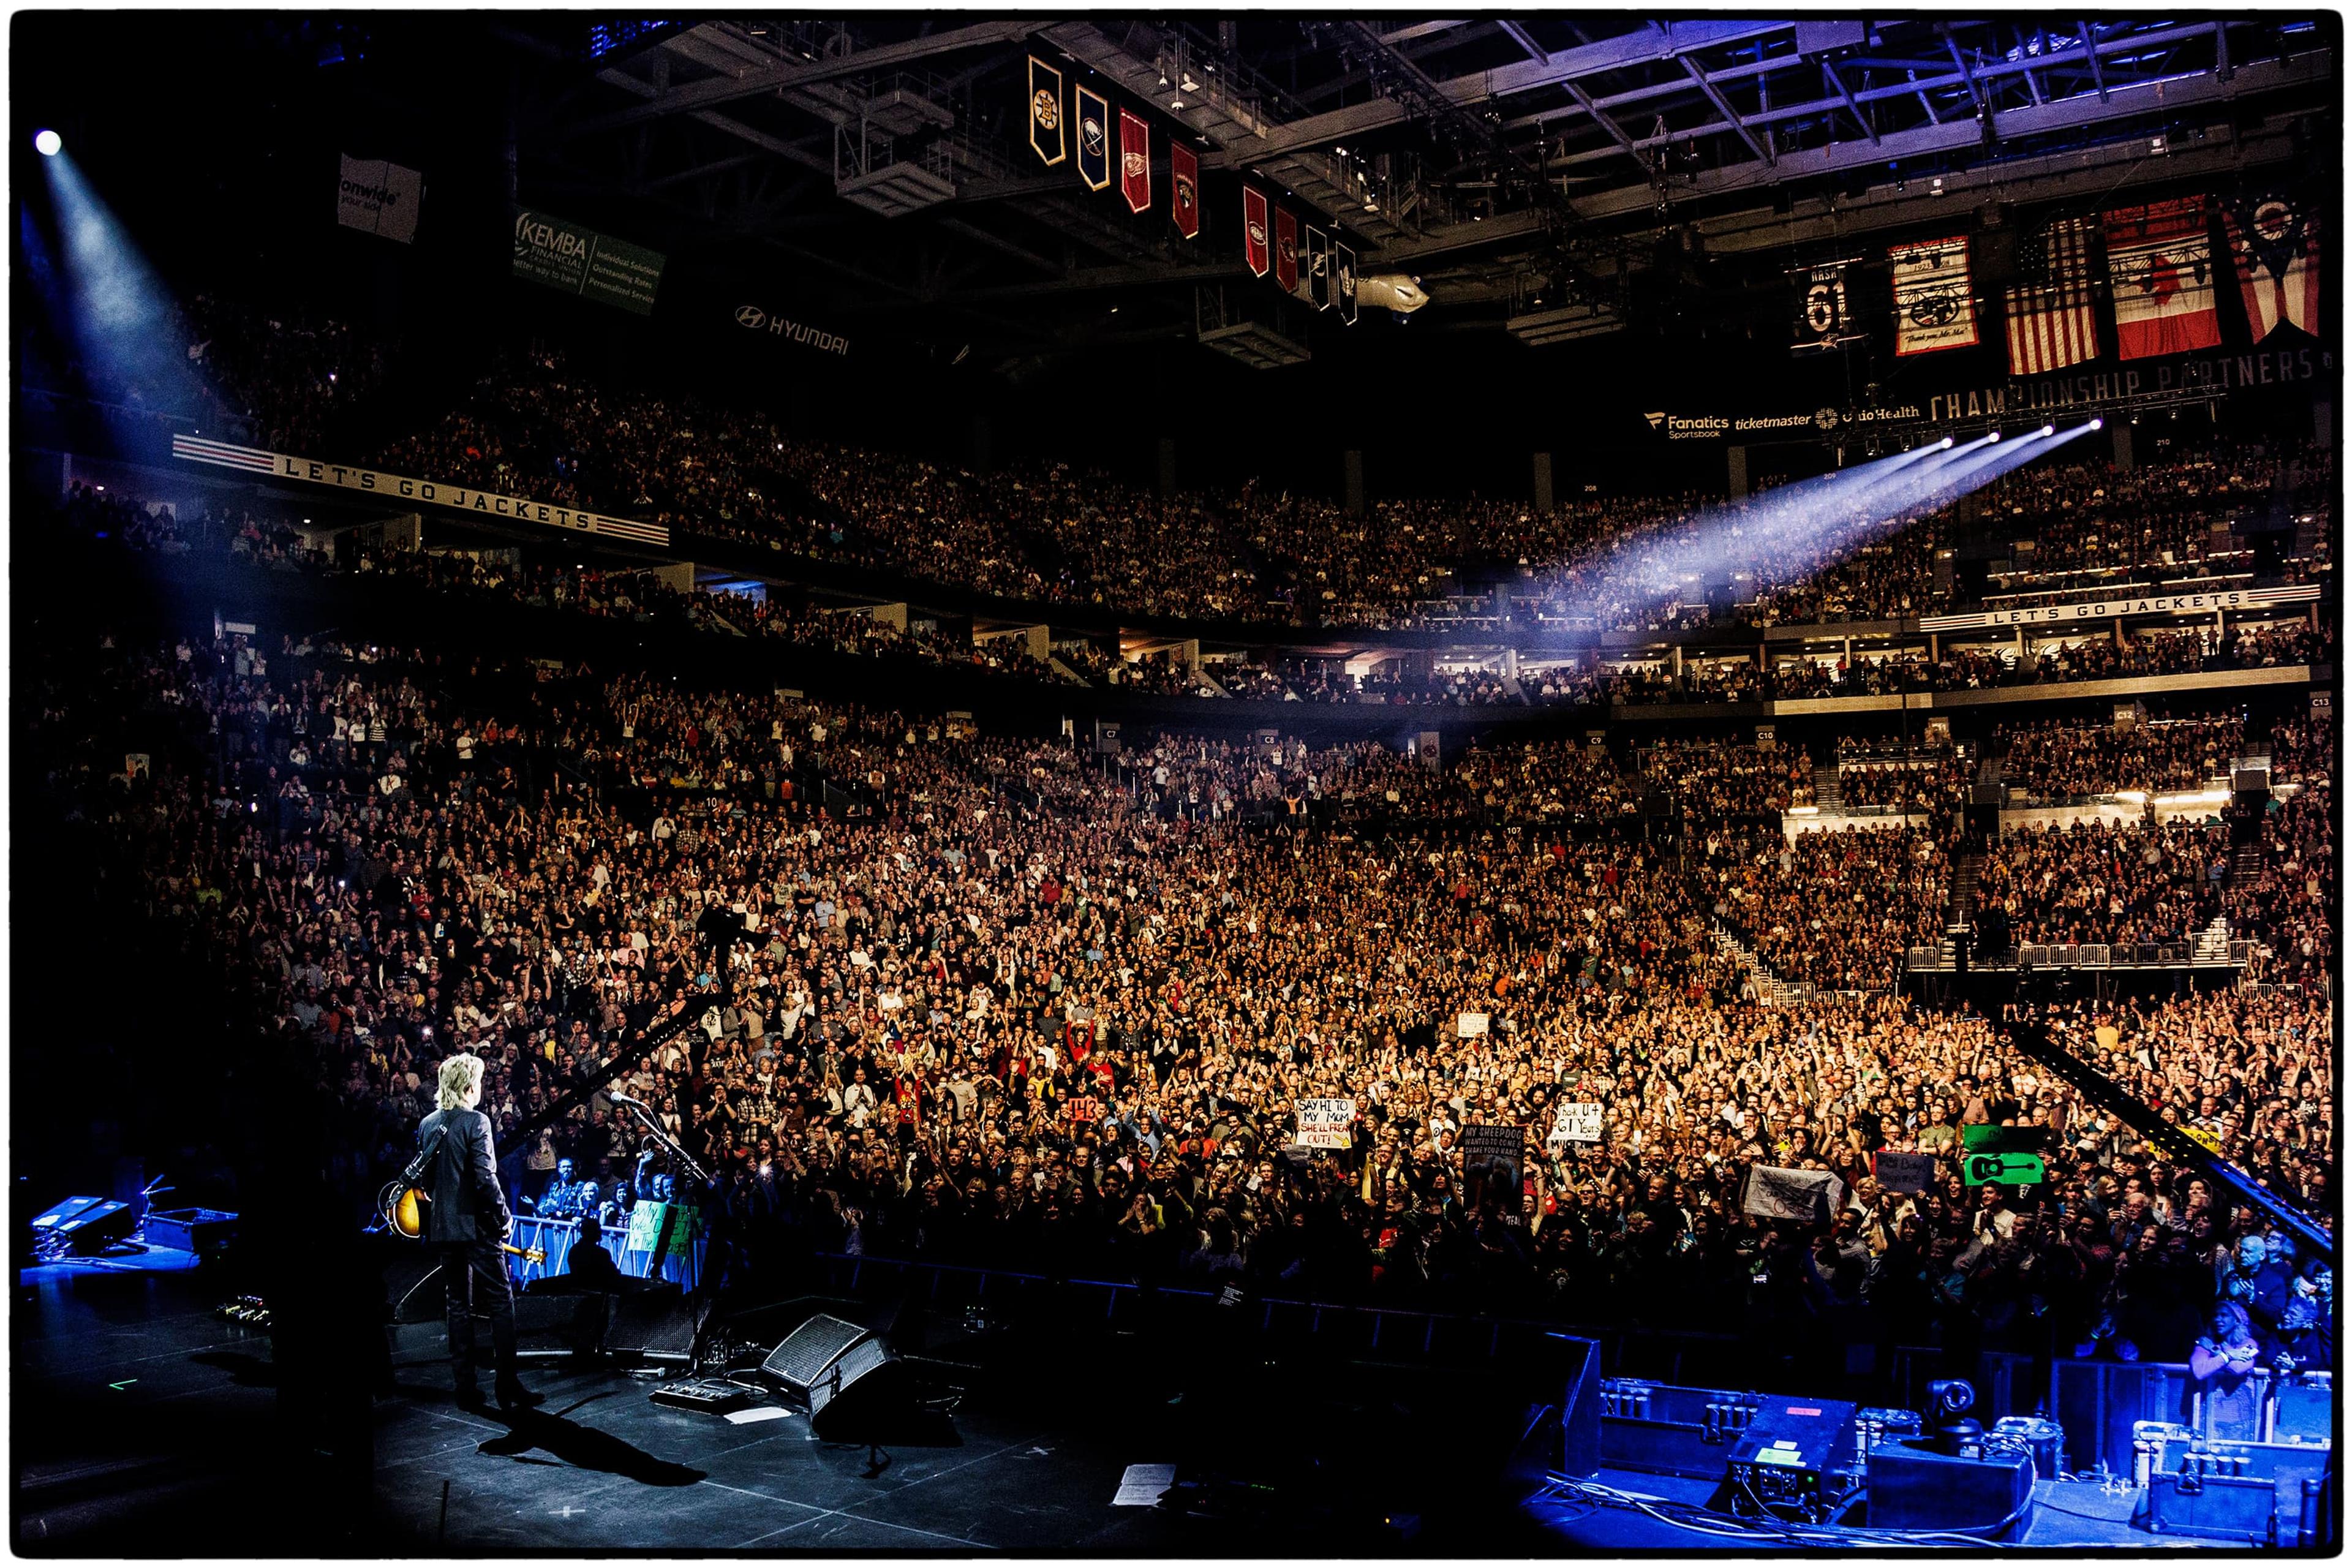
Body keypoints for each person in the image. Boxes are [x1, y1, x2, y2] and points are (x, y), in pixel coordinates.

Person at [417, 1054, 540, 1411]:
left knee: (457, 1305)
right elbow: (486, 1178)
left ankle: (465, 1388)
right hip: (477, 1227)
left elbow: (428, 1182)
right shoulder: (477, 1121)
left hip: (444, 1227)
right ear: (469, 1085)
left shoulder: (427, 1124)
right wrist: (504, 1216)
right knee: (501, 1302)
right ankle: (508, 1385)